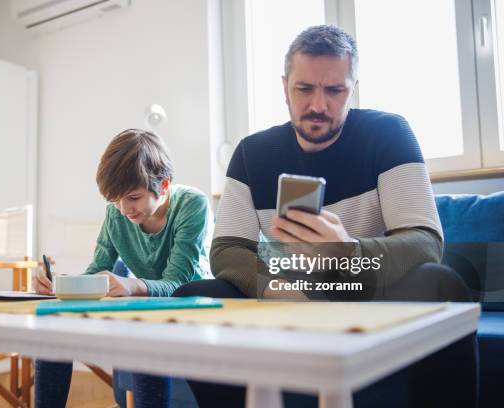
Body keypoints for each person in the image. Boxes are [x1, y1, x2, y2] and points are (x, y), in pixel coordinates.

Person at [173, 25, 477, 408]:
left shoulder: (389, 133)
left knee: (441, 283)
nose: (319, 104)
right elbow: (227, 249)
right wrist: (280, 290)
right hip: (290, 290)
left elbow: (425, 242)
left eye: (335, 90)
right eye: (304, 89)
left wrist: (348, 252)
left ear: (353, 88)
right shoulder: (252, 153)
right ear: (284, 87)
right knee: (193, 297)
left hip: (368, 290)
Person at [32, 128, 213, 408]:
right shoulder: (116, 213)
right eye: (115, 199)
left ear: (163, 186)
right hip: (145, 308)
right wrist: (60, 285)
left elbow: (178, 283)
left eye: (133, 197)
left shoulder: (193, 206)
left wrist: (133, 284)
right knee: (53, 318)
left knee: (145, 330)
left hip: (194, 306)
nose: (123, 208)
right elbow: (97, 269)